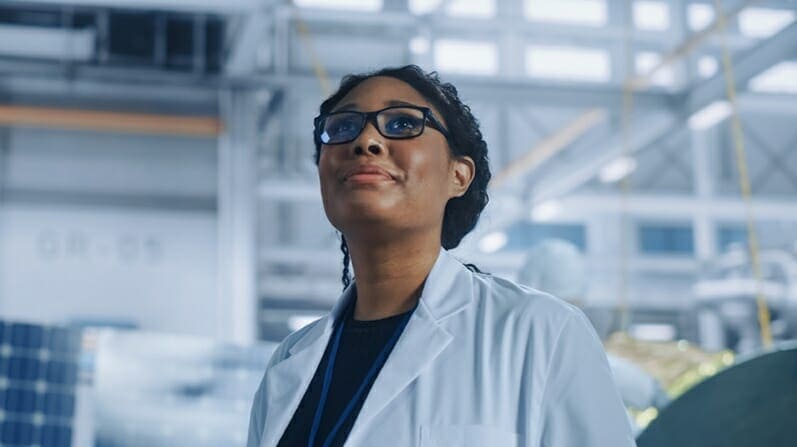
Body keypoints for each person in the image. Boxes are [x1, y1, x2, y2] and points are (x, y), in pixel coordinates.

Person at [247, 65, 634, 447]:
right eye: (342, 127)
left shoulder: (540, 332)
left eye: (402, 123)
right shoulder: (291, 360)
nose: (365, 140)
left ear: (459, 176)